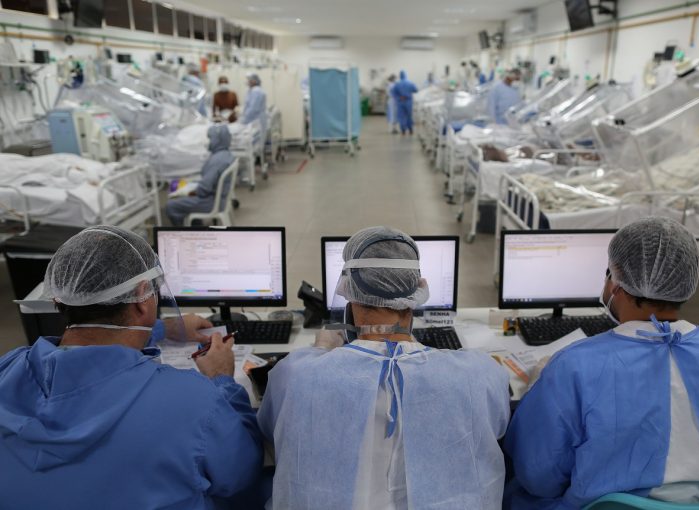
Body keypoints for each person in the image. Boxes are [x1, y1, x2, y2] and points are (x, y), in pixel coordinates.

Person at [504, 217, 699, 509]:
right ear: (687, 280)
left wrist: (541, 386)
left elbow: (537, 475)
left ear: (616, 284)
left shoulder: (572, 366)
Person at [0, 225, 263, 509]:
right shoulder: (194, 400)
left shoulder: (8, 369)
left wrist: (162, 329)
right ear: (142, 297)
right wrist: (223, 380)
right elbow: (242, 475)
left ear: (60, 296)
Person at [258, 226, 511, 509]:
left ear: (348, 294)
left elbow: (270, 431)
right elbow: (500, 426)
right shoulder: (480, 374)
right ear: (418, 292)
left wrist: (319, 352)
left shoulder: (296, 375)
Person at [166, 124, 235, 226]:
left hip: (211, 202)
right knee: (178, 189)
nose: (208, 141)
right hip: (220, 199)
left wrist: (190, 192)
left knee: (171, 206)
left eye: (210, 138)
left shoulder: (216, 161)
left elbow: (204, 189)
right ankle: (196, 226)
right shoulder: (226, 155)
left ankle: (185, 232)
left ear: (216, 140)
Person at [391, 71, 418, 135]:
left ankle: (403, 130)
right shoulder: (410, 83)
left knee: (401, 116)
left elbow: (393, 93)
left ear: (400, 76)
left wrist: (399, 97)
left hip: (400, 101)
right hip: (408, 101)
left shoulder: (397, 84)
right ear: (406, 75)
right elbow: (416, 90)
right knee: (409, 115)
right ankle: (410, 129)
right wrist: (409, 92)